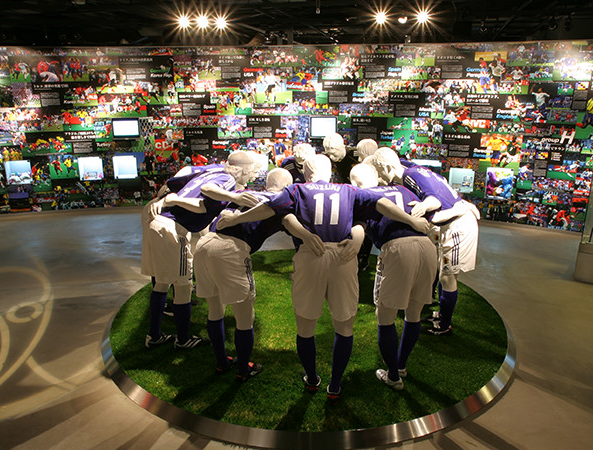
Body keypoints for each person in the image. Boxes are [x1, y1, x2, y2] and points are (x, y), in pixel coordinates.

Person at [216, 154, 430, 401]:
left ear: (306, 173)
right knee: (344, 327)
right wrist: (411, 220)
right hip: (343, 255)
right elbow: (381, 203)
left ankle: (313, 377)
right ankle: (335, 385)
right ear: (331, 172)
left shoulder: (297, 189)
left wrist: (236, 217)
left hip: (311, 255)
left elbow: (269, 208)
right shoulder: (347, 189)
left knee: (306, 327)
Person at [141, 151, 259, 350]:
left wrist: (167, 197)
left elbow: (182, 177)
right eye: (251, 173)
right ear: (243, 170)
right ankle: (183, 339)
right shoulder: (227, 180)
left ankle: (154, 335)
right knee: (184, 285)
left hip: (157, 221)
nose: (251, 178)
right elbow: (206, 193)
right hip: (173, 227)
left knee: (161, 283)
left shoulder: (211, 170)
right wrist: (233, 197)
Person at [193, 168, 293, 381]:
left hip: (205, 244)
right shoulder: (279, 198)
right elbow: (271, 210)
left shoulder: (249, 193)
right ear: (287, 186)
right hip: (231, 249)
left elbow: (206, 188)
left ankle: (222, 362)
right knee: (245, 316)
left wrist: (233, 199)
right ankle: (243, 369)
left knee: (215, 308)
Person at [369, 148, 480, 336]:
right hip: (451, 223)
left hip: (455, 226)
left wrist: (424, 207)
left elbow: (435, 201)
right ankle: (441, 314)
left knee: (448, 276)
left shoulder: (410, 176)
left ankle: (444, 324)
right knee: (442, 272)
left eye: (380, 172)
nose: (381, 178)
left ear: (387, 167)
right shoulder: (410, 168)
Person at [349, 164, 438, 390]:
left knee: (385, 314)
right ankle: (400, 367)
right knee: (414, 313)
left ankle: (393, 376)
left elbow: (383, 205)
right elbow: (432, 201)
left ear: (353, 182)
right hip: (427, 247)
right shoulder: (403, 189)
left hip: (398, 249)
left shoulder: (360, 195)